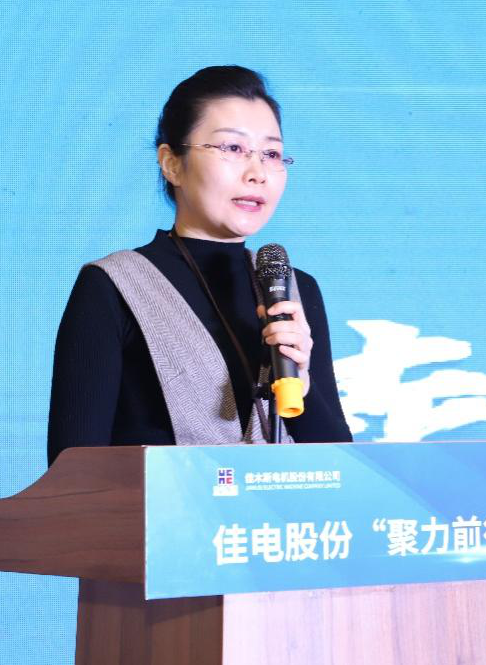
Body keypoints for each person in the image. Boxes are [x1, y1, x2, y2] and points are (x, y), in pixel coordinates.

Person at [47, 66, 351, 465]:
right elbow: (73, 474)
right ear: (172, 163)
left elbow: (342, 469)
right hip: (150, 508)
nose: (257, 173)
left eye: (272, 154)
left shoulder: (294, 288)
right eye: (232, 148)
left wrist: (303, 385)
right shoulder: (112, 285)